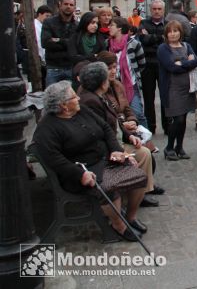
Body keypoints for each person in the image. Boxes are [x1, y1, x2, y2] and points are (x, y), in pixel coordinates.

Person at [33, 81, 149, 241]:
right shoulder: (47, 129)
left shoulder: (81, 111)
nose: (79, 99)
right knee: (108, 187)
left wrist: (117, 150)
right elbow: (55, 160)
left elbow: (106, 128)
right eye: (74, 97)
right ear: (64, 106)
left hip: (103, 160)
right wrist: (80, 174)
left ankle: (129, 218)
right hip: (79, 172)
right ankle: (119, 226)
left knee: (140, 176)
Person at [77, 60, 158, 207]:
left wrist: (129, 134)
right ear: (102, 82)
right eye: (109, 70)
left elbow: (121, 113)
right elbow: (103, 131)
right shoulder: (91, 101)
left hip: (118, 138)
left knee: (144, 152)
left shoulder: (104, 93)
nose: (113, 73)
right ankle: (133, 198)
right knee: (143, 153)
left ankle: (143, 192)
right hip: (108, 148)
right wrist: (120, 151)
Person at [157, 21, 197, 161]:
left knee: (184, 119)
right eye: (170, 31)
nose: (173, 34)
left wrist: (182, 63)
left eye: (176, 31)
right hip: (172, 89)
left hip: (187, 88)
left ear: (181, 32)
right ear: (166, 34)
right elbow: (171, 67)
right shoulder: (163, 48)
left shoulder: (187, 46)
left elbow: (195, 61)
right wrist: (187, 62)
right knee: (178, 119)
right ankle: (169, 147)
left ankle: (179, 147)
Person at [108, 17, 147, 128]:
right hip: (113, 85)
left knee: (138, 114)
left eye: (112, 25)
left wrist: (132, 76)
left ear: (119, 28)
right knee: (118, 114)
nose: (109, 27)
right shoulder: (107, 44)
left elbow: (142, 63)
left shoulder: (133, 43)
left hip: (131, 84)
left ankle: (146, 140)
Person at [138, 0, 167, 135]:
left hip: (163, 64)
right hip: (148, 65)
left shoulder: (168, 24)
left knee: (165, 96)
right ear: (151, 9)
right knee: (148, 98)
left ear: (163, 10)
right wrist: (160, 37)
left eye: (159, 9)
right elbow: (143, 40)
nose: (156, 11)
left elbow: (168, 42)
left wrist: (150, 37)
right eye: (154, 9)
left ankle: (167, 126)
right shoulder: (143, 23)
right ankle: (151, 126)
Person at [41, 0, 78, 85]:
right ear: (60, 5)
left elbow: (76, 44)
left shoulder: (77, 25)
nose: (68, 6)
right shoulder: (49, 22)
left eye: (71, 5)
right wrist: (68, 42)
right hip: (53, 67)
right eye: (65, 4)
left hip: (71, 67)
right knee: (52, 97)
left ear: (74, 8)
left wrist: (58, 40)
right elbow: (45, 43)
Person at [33, 5, 53, 90]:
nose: (48, 18)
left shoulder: (43, 25)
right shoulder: (35, 25)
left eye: (49, 17)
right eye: (46, 16)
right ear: (39, 14)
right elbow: (38, 43)